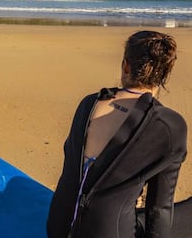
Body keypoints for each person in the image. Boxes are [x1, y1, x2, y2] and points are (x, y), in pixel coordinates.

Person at [47, 30, 189, 237]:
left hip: (58, 227)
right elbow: (159, 209)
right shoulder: (169, 126)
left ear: (126, 65)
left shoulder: (89, 104)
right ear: (164, 74)